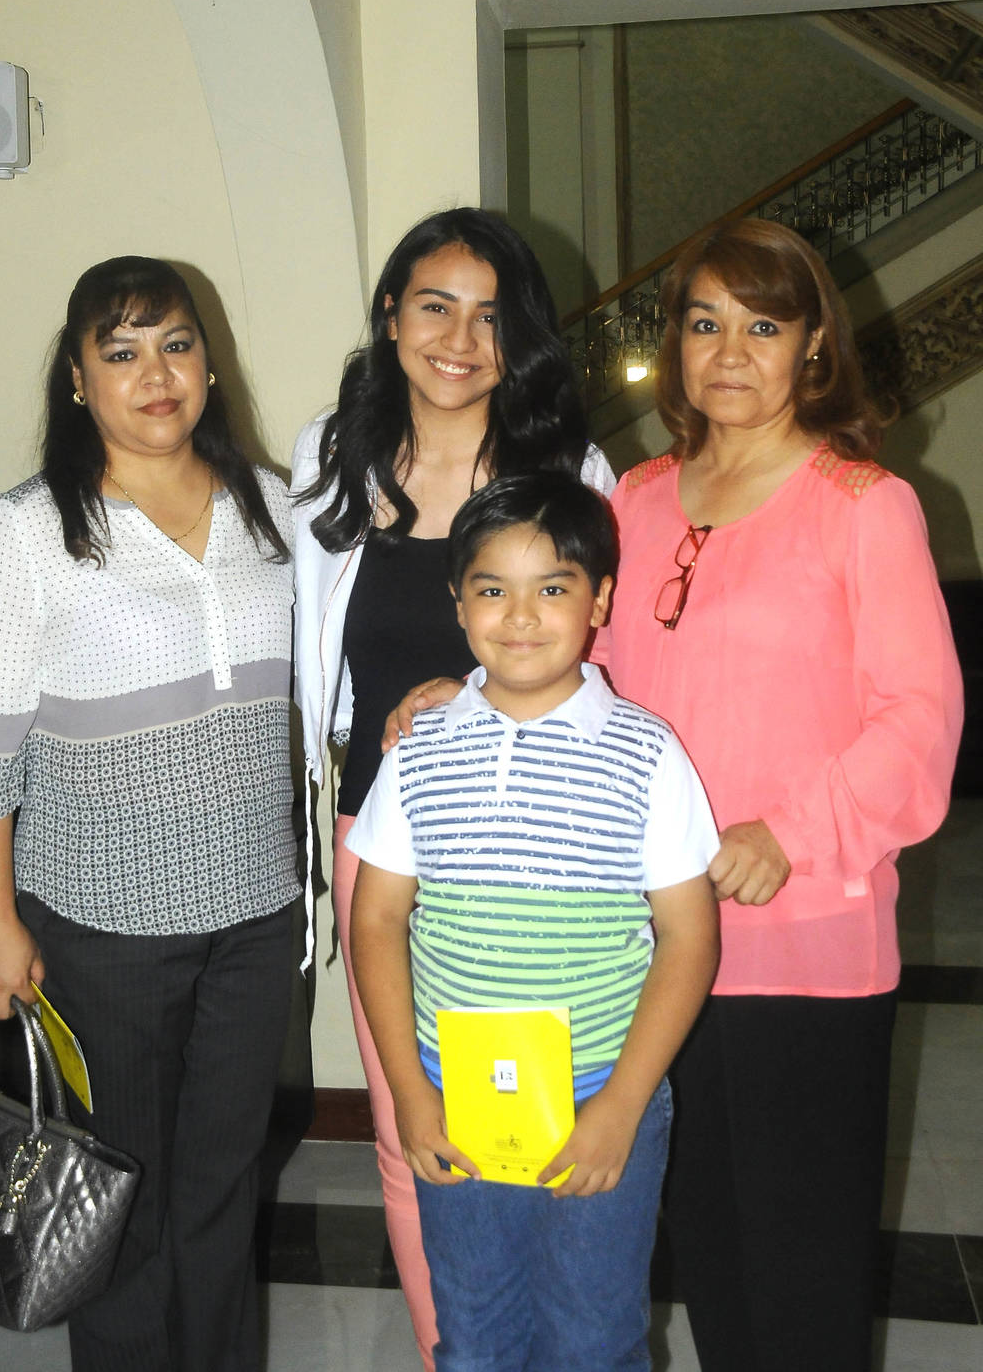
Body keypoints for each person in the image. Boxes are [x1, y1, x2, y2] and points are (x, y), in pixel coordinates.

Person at [389, 218, 964, 1372]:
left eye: (763, 326)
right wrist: (473, 690)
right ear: (675, 345)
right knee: (702, 1255)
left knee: (802, 1267)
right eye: (705, 323)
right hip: (642, 958)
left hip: (797, 943)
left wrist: (790, 833)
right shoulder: (639, 499)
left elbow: (919, 720)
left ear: (813, 347)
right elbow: (580, 660)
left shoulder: (863, 505)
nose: (730, 351)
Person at [0, 256, 299, 1372]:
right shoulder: (27, 530)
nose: (156, 374)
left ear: (210, 364)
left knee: (223, 1191)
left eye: (176, 344)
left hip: (255, 917)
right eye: (122, 351)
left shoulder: (273, 504)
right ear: (77, 378)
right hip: (103, 928)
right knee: (120, 1208)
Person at [291, 207, 614, 1366]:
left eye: (491, 317)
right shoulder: (330, 456)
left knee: (541, 1119)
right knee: (409, 1127)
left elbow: (603, 663)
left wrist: (473, 690)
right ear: (391, 315)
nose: (460, 340)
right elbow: (310, 658)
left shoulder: (568, 469)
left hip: (530, 852)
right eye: (435, 307)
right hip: (378, 840)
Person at [347, 472, 721, 1371]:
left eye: (553, 588)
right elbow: (376, 921)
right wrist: (410, 1092)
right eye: (492, 589)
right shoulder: (419, 747)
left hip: (601, 1089)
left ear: (601, 601)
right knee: (474, 1332)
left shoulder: (646, 752)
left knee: (593, 1336)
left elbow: (689, 937)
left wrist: (622, 1105)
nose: (520, 616)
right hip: (456, 1092)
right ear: (458, 602)